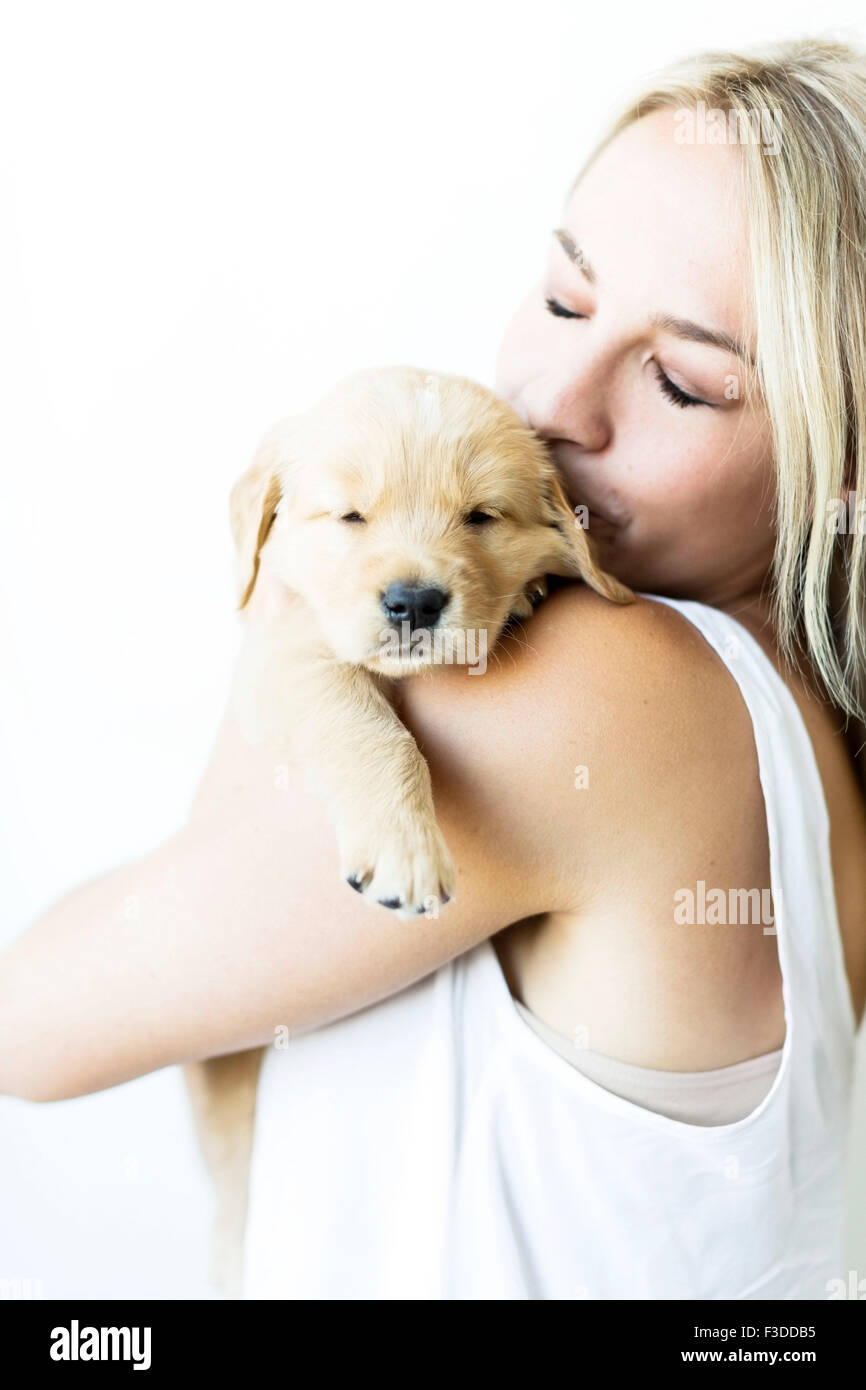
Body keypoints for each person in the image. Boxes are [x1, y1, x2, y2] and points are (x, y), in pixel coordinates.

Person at [1, 37, 865, 1299]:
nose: (557, 404)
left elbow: (37, 1021)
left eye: (680, 382)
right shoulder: (799, 719)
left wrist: (303, 570)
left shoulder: (600, 688)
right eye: (566, 297)